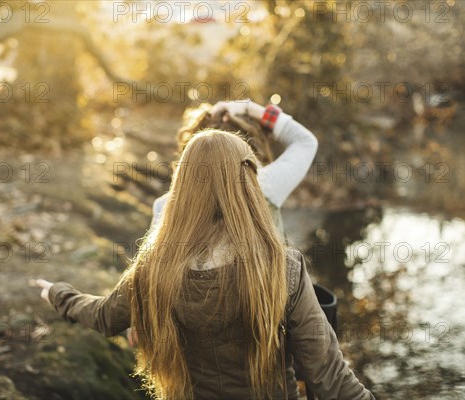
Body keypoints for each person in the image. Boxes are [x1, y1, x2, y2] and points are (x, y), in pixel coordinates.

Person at [36, 129, 374, 399]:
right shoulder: (280, 267)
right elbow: (328, 376)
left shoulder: (154, 268)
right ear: (247, 185)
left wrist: (58, 294)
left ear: (183, 186)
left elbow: (104, 317)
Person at [151, 100, 319, 238]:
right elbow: (305, 141)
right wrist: (248, 107)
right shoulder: (264, 185)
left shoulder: (165, 205)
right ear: (253, 144)